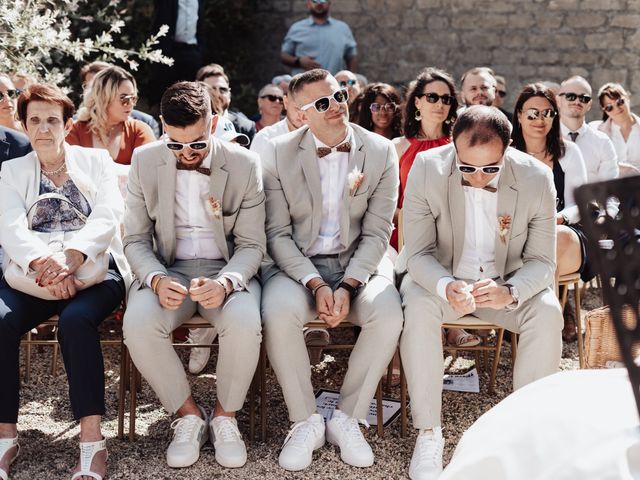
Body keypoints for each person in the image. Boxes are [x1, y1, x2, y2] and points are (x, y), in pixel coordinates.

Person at [397, 105, 563, 480]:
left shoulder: (537, 177)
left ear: (508, 149)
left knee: (548, 312)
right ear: (454, 146)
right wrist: (445, 284)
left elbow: (541, 261)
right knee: (417, 309)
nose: (476, 177)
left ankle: (527, 430)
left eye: (490, 169)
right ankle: (429, 432)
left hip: (503, 284)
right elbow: (418, 253)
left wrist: (512, 292)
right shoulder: (426, 167)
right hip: (441, 281)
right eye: (466, 167)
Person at [261, 69, 403, 472]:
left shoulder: (379, 151)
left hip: (360, 261)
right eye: (323, 102)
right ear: (301, 114)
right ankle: (305, 420)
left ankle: (348, 417)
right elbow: (276, 234)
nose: (337, 105)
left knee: (389, 312)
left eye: (339, 95)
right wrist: (316, 282)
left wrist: (351, 284)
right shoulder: (274, 153)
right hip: (296, 267)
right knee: (277, 312)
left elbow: (378, 231)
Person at [122, 81, 265, 470]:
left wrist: (226, 282)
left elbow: (252, 244)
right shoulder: (144, 160)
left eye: (197, 144)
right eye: (175, 144)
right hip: (168, 270)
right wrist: (153, 278)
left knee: (245, 321)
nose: (186, 154)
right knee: (137, 323)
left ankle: (225, 417)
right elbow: (134, 238)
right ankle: (188, 415)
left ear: (214, 123)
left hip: (226, 270)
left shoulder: (244, 164)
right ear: (163, 128)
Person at [0, 83, 130, 480]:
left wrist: (72, 258)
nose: (43, 128)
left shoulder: (96, 160)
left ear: (67, 123)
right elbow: (7, 226)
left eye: (52, 120)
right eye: (34, 120)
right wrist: (45, 264)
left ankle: (92, 444)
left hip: (95, 271)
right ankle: (5, 436)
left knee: (75, 322)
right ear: (23, 124)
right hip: (33, 276)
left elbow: (109, 214)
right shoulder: (12, 169)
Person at [393, 69, 478, 349]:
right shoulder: (398, 146)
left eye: (446, 98)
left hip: (453, 229)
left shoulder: (460, 145)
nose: (440, 104)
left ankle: (451, 324)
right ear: (417, 102)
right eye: (432, 97)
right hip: (407, 230)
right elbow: (392, 199)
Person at [511, 83, 589, 342]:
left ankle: (543, 324)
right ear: (519, 114)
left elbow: (581, 203)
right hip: (518, 235)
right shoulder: (507, 154)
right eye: (533, 113)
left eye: (548, 113)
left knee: (555, 236)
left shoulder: (568, 151)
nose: (540, 120)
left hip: (564, 233)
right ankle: (543, 317)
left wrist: (560, 217)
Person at [66, 66, 155, 165]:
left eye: (133, 98)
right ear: (103, 98)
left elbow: (148, 173)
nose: (131, 104)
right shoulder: (75, 131)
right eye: (124, 98)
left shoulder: (139, 131)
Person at [557, 76, 618, 182]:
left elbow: (609, 188)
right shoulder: (544, 138)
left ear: (589, 104)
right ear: (558, 100)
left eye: (584, 98)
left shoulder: (602, 142)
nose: (577, 101)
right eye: (571, 96)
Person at [80, 61, 160, 138]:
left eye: (133, 98)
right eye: (90, 85)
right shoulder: (77, 127)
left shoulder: (143, 126)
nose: (131, 104)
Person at [148, 0, 205, 106]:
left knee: (189, 93)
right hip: (170, 49)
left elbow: (200, 25)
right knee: (164, 89)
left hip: (192, 50)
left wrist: (199, 50)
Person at [281, 0, 357, 75]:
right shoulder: (297, 28)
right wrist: (299, 61)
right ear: (308, 4)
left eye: (323, 0)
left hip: (334, 84)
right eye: (314, 1)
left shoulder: (342, 28)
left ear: (329, 3)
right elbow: (284, 56)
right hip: (303, 85)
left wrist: (351, 81)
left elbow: (351, 57)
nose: (319, 3)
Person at [195, 64, 256, 145]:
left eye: (223, 89)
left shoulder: (246, 127)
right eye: (211, 89)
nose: (217, 94)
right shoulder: (191, 124)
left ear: (229, 93)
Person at [593, 83, 640, 173]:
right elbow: (596, 164)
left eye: (620, 102)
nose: (617, 108)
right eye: (609, 107)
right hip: (613, 185)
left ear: (627, 98)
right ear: (605, 111)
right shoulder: (598, 132)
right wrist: (623, 169)